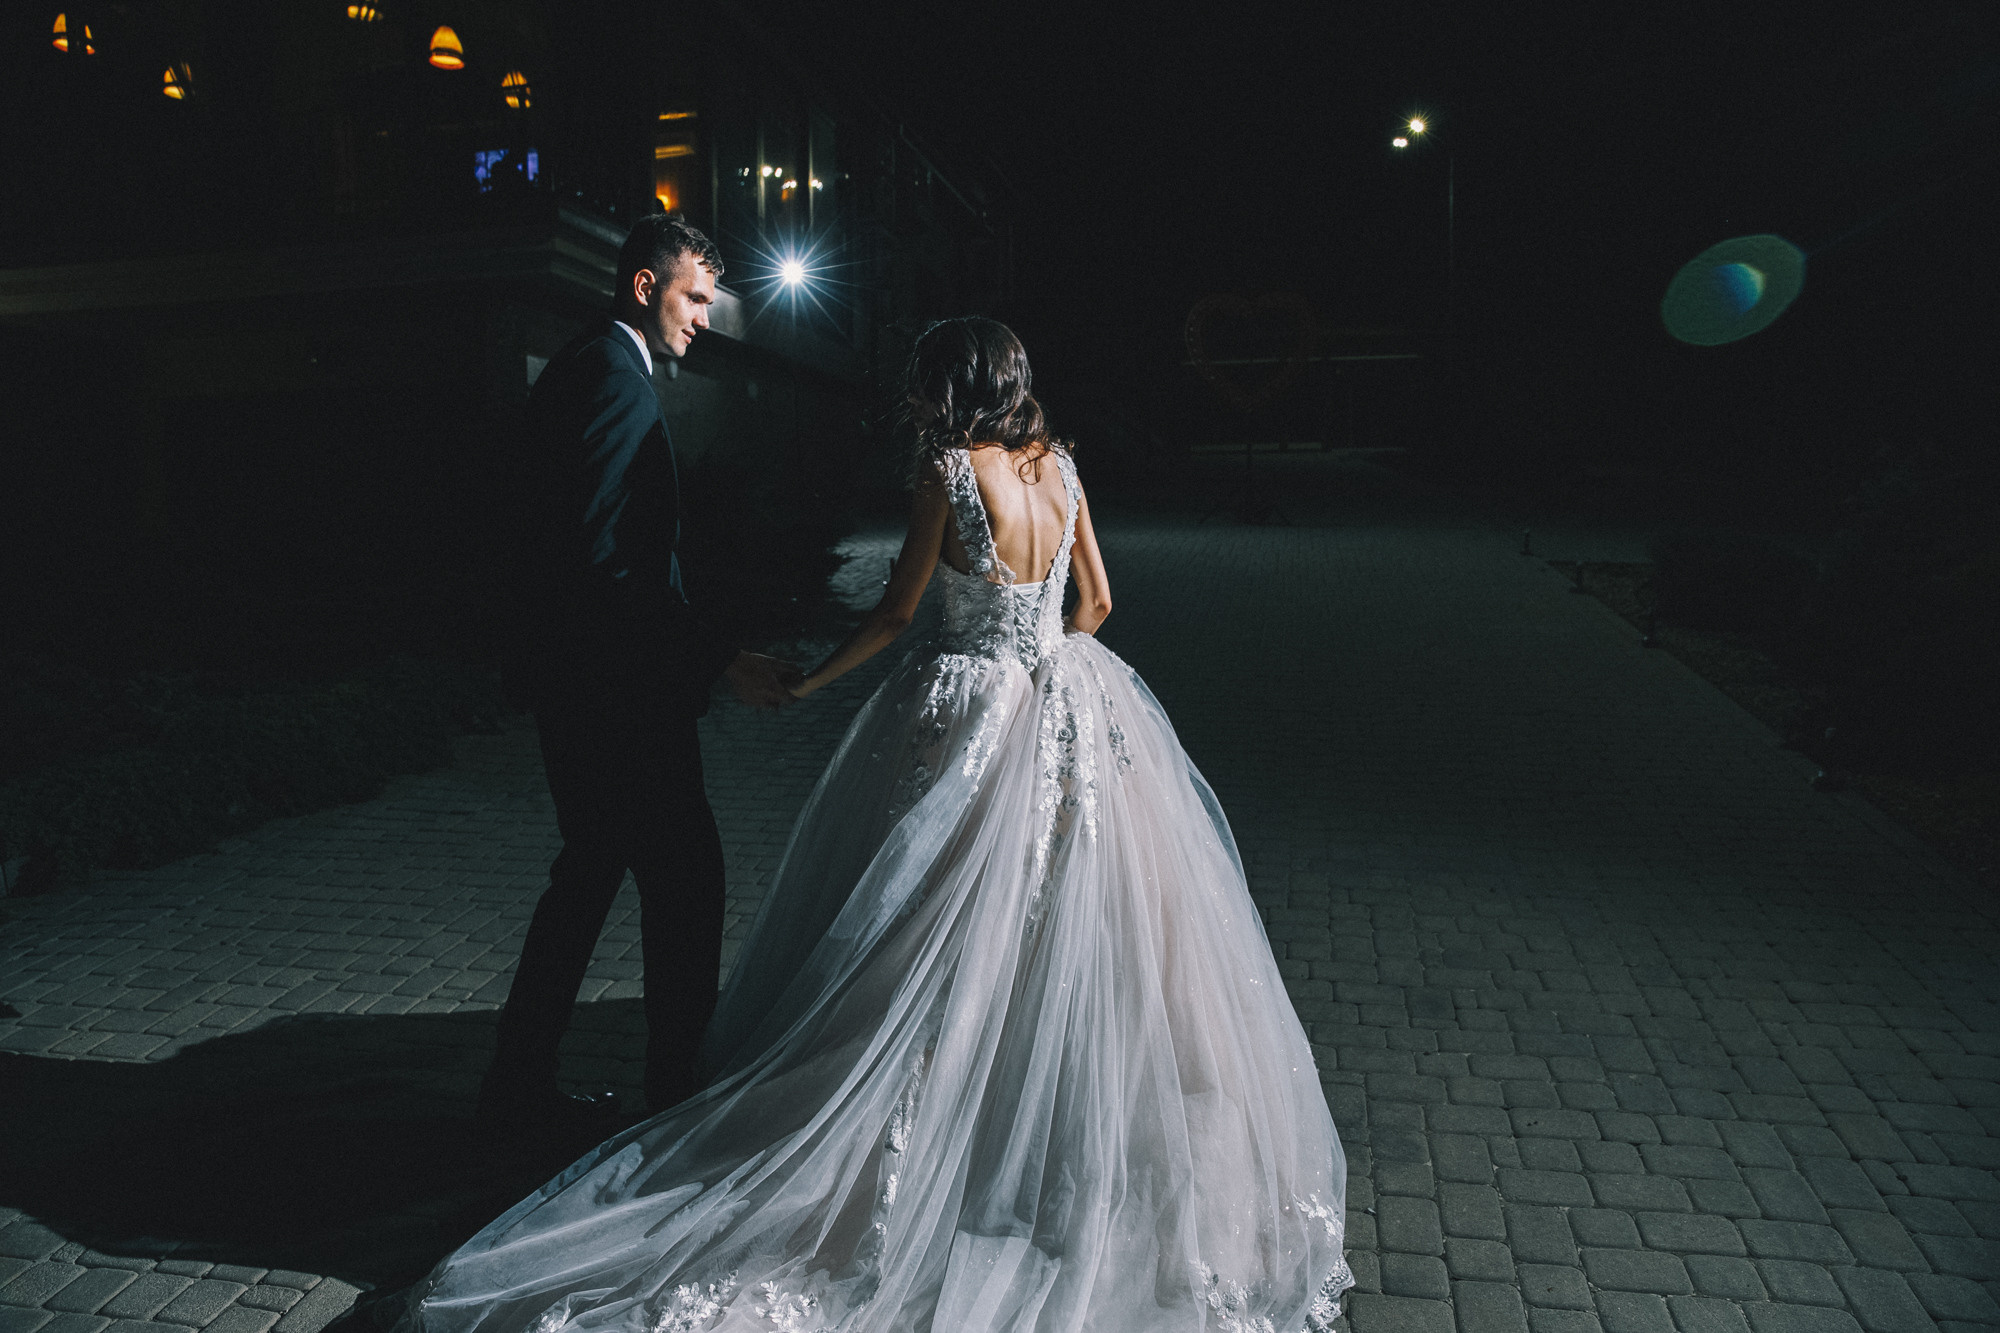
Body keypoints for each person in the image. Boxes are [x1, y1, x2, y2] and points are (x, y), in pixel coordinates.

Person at [408, 317, 1351, 1331]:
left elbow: (898, 613)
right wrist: (1045, 665)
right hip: (1064, 701)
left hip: (964, 711)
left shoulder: (951, 472)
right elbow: (1098, 602)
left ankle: (925, 1121)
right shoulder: (1061, 469)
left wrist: (812, 679)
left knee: (923, 915)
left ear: (949, 388)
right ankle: (1038, 1127)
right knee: (1056, 917)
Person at [481, 214, 801, 1130]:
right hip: (618, 695)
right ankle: (675, 1098)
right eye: (695, 297)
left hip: (584, 686)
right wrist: (721, 659)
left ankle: (517, 1085)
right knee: (686, 884)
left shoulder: (592, 368)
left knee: (588, 879)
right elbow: (607, 564)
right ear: (644, 287)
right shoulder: (615, 384)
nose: (705, 318)